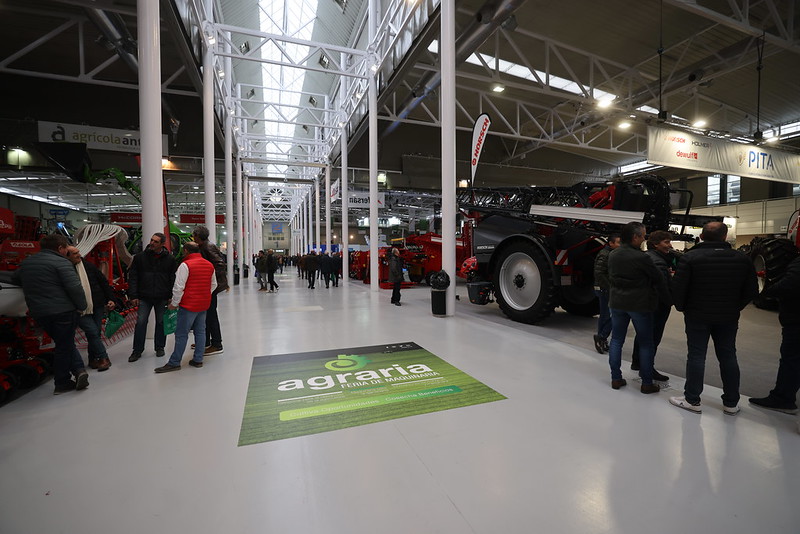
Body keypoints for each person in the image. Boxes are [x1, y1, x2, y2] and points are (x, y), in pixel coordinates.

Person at [669, 221, 758, 415]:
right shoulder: (742, 259)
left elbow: (678, 288)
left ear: (701, 236)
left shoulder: (690, 258)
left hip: (697, 315)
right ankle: (731, 403)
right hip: (728, 316)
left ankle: (692, 399)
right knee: (728, 355)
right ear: (725, 237)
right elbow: (751, 290)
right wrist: (735, 306)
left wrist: (683, 308)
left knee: (696, 355)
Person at [13, 234, 88, 394]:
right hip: (63, 311)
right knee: (63, 346)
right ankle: (62, 382)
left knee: (64, 342)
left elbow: (16, 278)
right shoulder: (62, 263)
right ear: (60, 248)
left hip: (39, 312)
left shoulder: (28, 263)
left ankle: (79, 370)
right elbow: (74, 288)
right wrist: (82, 306)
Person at [607, 222, 669, 394]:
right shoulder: (642, 258)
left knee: (616, 340)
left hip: (617, 302)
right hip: (639, 304)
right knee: (646, 343)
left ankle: (616, 378)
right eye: (643, 235)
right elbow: (658, 278)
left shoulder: (613, 254)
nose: (644, 238)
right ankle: (647, 383)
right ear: (635, 237)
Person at [748, 254, 800, 416]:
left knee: (791, 359)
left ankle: (782, 398)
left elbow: (791, 283)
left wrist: (765, 292)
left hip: (796, 319)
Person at [155, 242, 217, 373]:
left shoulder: (185, 265)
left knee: (181, 334)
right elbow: (214, 284)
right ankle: (198, 359)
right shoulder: (209, 264)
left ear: (186, 251)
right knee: (200, 332)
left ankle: (174, 362)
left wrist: (174, 304)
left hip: (188, 305)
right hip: (203, 304)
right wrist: (203, 295)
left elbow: (178, 287)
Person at [630, 230, 674, 382]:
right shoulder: (659, 261)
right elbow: (662, 287)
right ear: (655, 244)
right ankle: (647, 368)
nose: (670, 245)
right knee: (653, 337)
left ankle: (637, 362)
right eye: (666, 242)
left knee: (643, 334)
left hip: (644, 302)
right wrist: (671, 301)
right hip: (657, 305)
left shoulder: (647, 257)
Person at [127, 233, 176, 362]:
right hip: (144, 296)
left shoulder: (170, 259)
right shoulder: (140, 258)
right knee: (141, 322)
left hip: (162, 296)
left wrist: (171, 295)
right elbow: (133, 277)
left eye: (156, 241)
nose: (152, 243)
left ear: (162, 244)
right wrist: (133, 295)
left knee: (161, 322)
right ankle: (137, 350)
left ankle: (160, 347)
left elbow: (172, 278)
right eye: (151, 240)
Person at [66, 246, 116, 372]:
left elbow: (103, 282)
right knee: (92, 331)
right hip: (78, 309)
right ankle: (104, 358)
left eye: (78, 252)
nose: (78, 255)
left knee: (96, 332)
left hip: (96, 305)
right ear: (67, 256)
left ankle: (93, 358)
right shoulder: (65, 270)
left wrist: (111, 299)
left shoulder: (89, 267)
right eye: (74, 253)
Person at [193, 226, 228, 355]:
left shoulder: (208, 246)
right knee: (205, 314)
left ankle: (217, 343)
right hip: (208, 286)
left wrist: (208, 277)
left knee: (211, 314)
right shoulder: (204, 246)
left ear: (197, 235)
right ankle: (205, 341)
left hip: (211, 287)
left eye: (194, 235)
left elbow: (219, 264)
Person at [592, 233, 620, 353]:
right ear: (611, 243)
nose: (620, 245)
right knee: (609, 315)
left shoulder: (611, 254)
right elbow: (599, 273)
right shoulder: (605, 254)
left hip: (606, 289)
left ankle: (601, 339)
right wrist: (610, 287)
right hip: (604, 289)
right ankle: (601, 337)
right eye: (618, 242)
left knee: (605, 316)